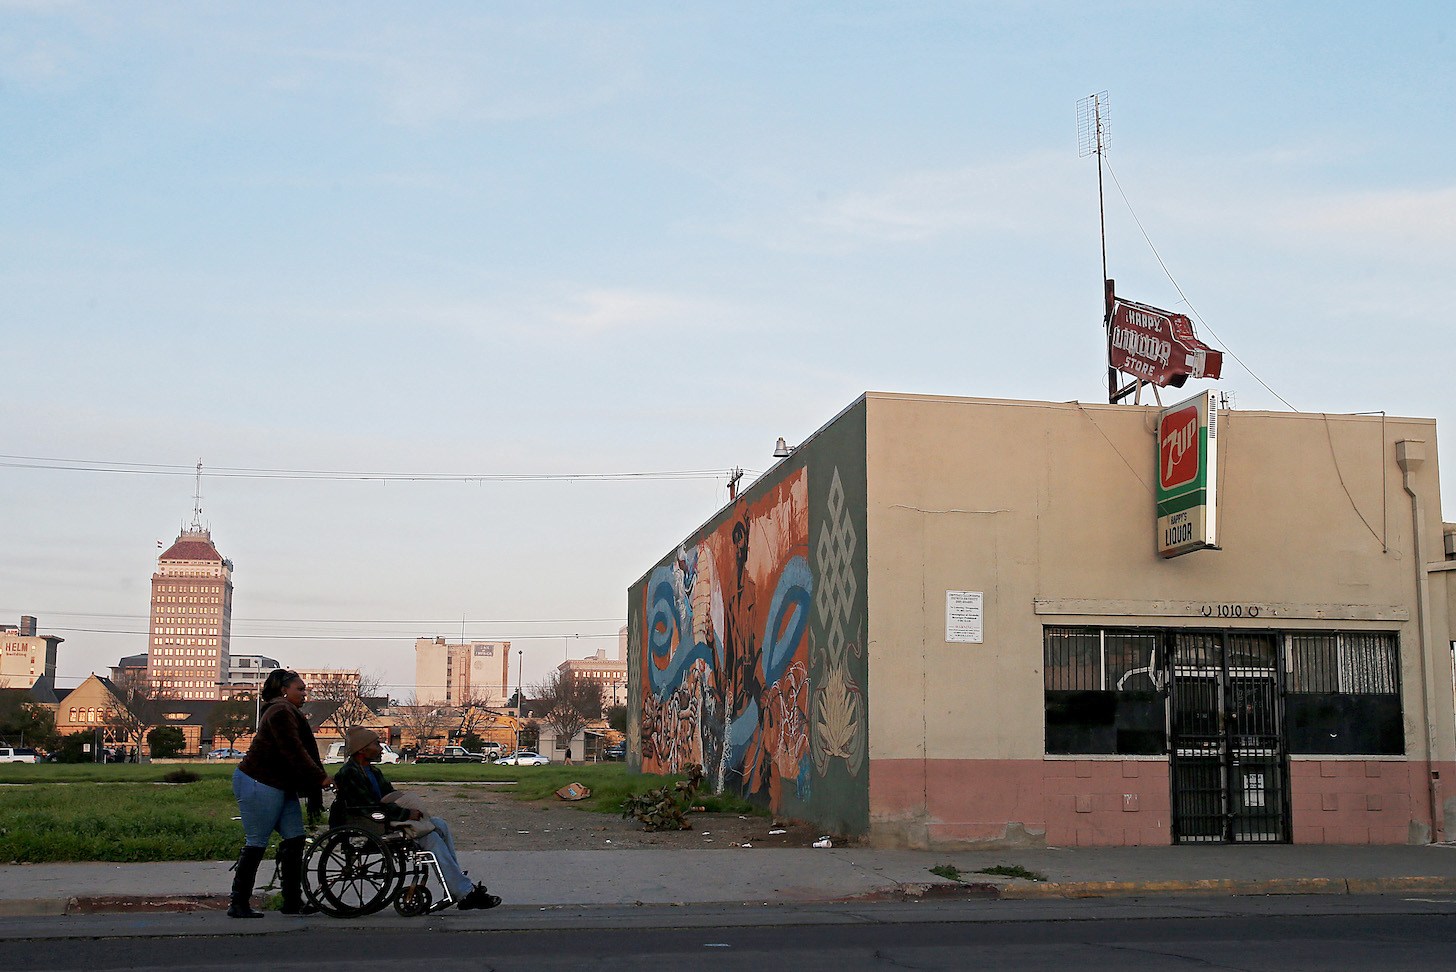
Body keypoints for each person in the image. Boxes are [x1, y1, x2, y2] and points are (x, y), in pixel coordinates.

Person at [331, 727, 501, 911]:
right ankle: (463, 891)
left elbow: (389, 797)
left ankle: (457, 884)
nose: (381, 748)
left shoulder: (373, 772)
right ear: (362, 749)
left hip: (383, 819)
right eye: (376, 744)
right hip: (369, 824)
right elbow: (367, 806)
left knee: (440, 825)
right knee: (430, 838)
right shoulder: (349, 773)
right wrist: (406, 814)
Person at [229, 669, 332, 918]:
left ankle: (292, 901)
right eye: (300, 689)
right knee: (256, 842)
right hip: (259, 781)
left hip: (279, 784)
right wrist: (320, 777)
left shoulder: (286, 711)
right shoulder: (280, 711)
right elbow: (293, 750)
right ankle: (239, 903)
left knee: (295, 839)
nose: (305, 693)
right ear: (284, 690)